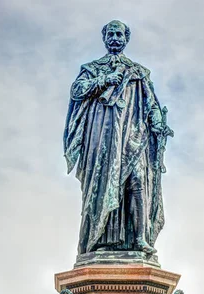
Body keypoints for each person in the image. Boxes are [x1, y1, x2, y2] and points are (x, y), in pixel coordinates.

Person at [64, 20, 172, 256]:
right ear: (105, 38)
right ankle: (101, 239)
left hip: (133, 137)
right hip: (102, 138)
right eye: (110, 33)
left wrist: (157, 121)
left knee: (137, 182)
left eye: (119, 34)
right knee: (105, 186)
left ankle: (140, 239)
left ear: (126, 39)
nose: (114, 37)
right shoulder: (93, 68)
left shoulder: (138, 72)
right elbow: (77, 90)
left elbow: (151, 103)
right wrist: (103, 80)